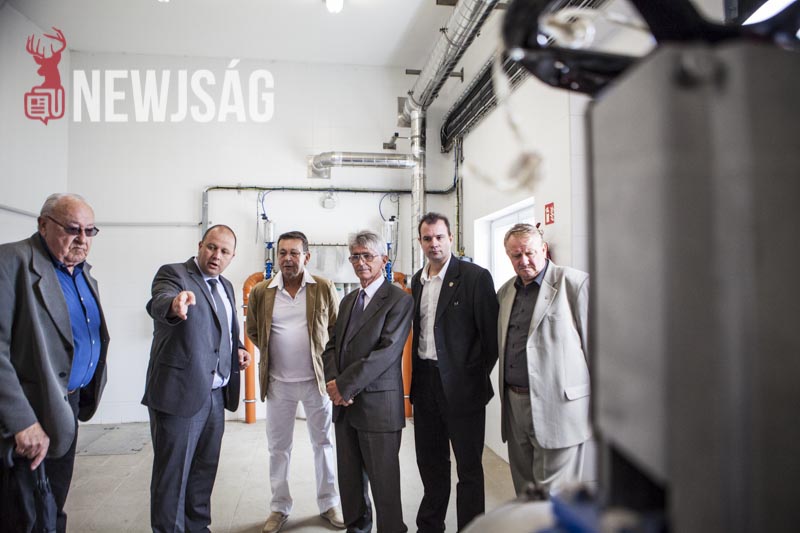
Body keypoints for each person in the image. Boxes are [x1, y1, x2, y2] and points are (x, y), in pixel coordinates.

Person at [0, 193, 110, 533]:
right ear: (43, 225)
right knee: (25, 514)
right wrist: (22, 422)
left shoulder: (81, 273)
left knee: (53, 504)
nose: (82, 239)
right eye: (73, 229)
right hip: (29, 413)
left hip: (66, 405)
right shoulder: (11, 262)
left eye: (90, 231)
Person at [142, 224, 252, 532]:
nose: (216, 255)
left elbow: (223, 329)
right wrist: (174, 305)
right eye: (211, 247)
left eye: (224, 251)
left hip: (215, 395)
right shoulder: (174, 274)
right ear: (200, 245)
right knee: (172, 476)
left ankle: (198, 527)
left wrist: (238, 349)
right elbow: (160, 300)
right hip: (180, 394)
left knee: (204, 471)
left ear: (232, 257)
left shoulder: (226, 285)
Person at [246, 231, 345, 533]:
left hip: (317, 382)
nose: (287, 259)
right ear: (277, 256)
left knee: (323, 443)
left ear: (306, 257)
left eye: (294, 253)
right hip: (278, 384)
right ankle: (279, 507)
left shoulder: (323, 287)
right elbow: (253, 331)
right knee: (278, 447)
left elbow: (336, 330)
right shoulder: (261, 291)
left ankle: (329, 503)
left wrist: (333, 372)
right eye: (282, 253)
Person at [410, 212, 499, 532]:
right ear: (420, 242)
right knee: (431, 463)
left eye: (439, 237)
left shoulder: (475, 277)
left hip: (463, 388)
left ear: (450, 238)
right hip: (425, 384)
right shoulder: (417, 280)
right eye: (427, 238)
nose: (433, 243)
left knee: (469, 468)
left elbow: (491, 339)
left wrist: (470, 376)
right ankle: (430, 526)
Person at [322, 230, 413, 533]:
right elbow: (332, 346)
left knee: (384, 485)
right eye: (355, 257)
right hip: (345, 408)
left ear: (383, 260)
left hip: (378, 407)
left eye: (367, 256)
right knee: (350, 484)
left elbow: (387, 352)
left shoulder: (398, 300)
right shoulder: (349, 300)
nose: (361, 262)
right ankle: (357, 528)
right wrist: (334, 383)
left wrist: (344, 386)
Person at [497, 223, 590, 494]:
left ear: (544, 249)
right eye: (516, 255)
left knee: (553, 498)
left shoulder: (574, 284)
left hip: (558, 408)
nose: (524, 260)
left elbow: (598, 352)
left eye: (529, 252)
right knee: (525, 493)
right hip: (515, 406)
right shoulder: (506, 292)